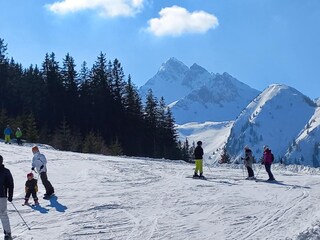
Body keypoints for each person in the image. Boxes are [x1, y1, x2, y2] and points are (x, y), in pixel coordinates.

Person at [0, 155, 14, 240]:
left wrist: (10, 195)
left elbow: (10, 184)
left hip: (2, 196)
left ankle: (8, 233)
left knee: (3, 214)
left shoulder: (5, 171)